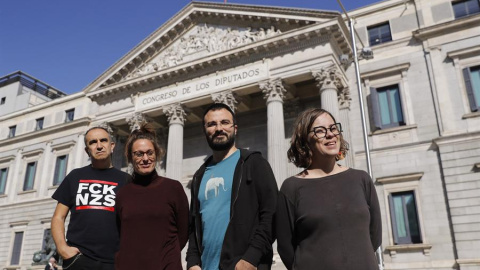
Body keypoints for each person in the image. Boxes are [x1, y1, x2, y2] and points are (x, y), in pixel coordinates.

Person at [276, 108, 382, 270]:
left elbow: (374, 236)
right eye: (320, 131)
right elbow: (285, 246)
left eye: (333, 128)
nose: (330, 134)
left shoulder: (361, 179)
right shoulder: (291, 187)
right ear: (304, 140)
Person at [186, 103, 278, 270]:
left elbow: (272, 213)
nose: (219, 128)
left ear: (235, 128)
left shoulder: (254, 164)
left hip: (243, 266)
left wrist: (251, 258)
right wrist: (192, 262)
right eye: (212, 124)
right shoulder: (200, 175)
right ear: (205, 131)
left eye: (224, 122)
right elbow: (194, 225)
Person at [51, 126, 130, 270]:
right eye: (93, 142)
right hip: (78, 259)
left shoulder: (126, 180)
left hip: (114, 262)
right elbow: (58, 217)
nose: (99, 146)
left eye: (103, 141)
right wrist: (63, 249)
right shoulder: (75, 176)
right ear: (87, 150)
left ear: (112, 146)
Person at [115, 123, 189, 270]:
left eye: (150, 152)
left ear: (157, 154)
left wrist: (165, 255)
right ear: (130, 157)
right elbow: (120, 233)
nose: (145, 158)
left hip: (166, 266)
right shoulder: (122, 194)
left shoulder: (173, 188)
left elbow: (184, 230)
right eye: (139, 154)